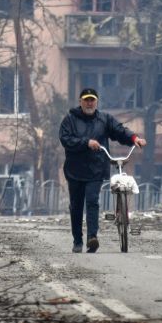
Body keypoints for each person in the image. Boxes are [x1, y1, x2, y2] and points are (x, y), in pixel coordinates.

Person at [59, 87, 146, 253]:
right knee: (76, 206)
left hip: (96, 168)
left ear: (96, 102)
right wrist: (86, 142)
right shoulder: (70, 120)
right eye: (86, 100)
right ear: (80, 101)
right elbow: (65, 139)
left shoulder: (104, 119)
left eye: (92, 100)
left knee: (92, 201)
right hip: (75, 170)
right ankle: (77, 240)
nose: (89, 103)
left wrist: (134, 138)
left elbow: (120, 131)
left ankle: (92, 238)